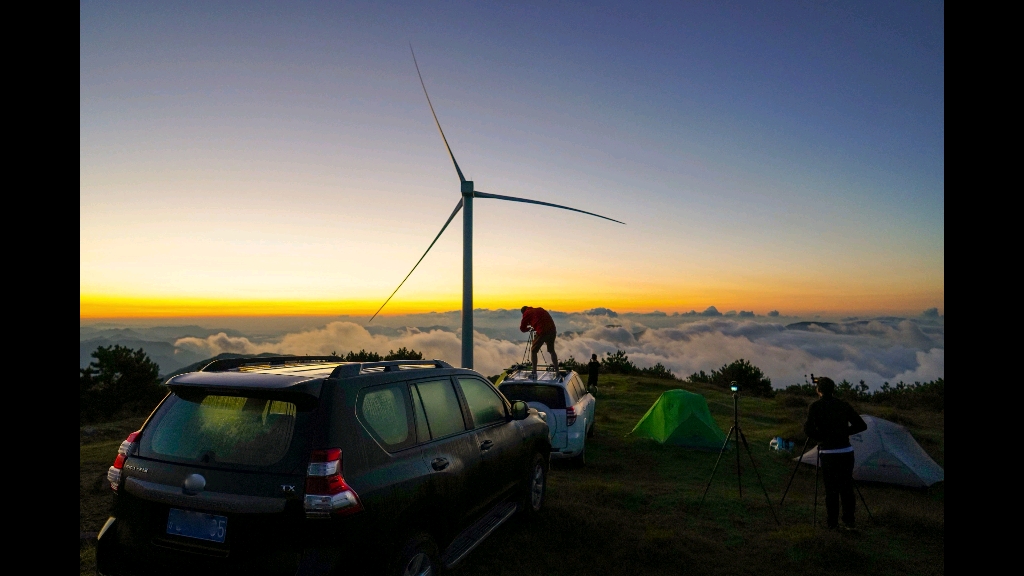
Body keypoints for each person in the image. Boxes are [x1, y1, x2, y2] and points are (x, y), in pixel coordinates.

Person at [803, 376, 868, 531]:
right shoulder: (843, 405)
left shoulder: (815, 407)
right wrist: (844, 433)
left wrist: (822, 437)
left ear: (819, 390)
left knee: (831, 490)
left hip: (828, 453)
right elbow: (861, 425)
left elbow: (808, 430)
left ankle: (832, 524)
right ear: (833, 390)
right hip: (846, 451)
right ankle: (849, 522)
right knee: (846, 488)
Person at [520, 306, 558, 377]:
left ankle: (534, 372)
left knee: (534, 351)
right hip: (552, 330)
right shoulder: (539, 309)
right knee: (552, 351)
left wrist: (528, 329)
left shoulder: (526, 313)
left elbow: (522, 328)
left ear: (523, 312)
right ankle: (557, 370)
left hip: (542, 331)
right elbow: (541, 320)